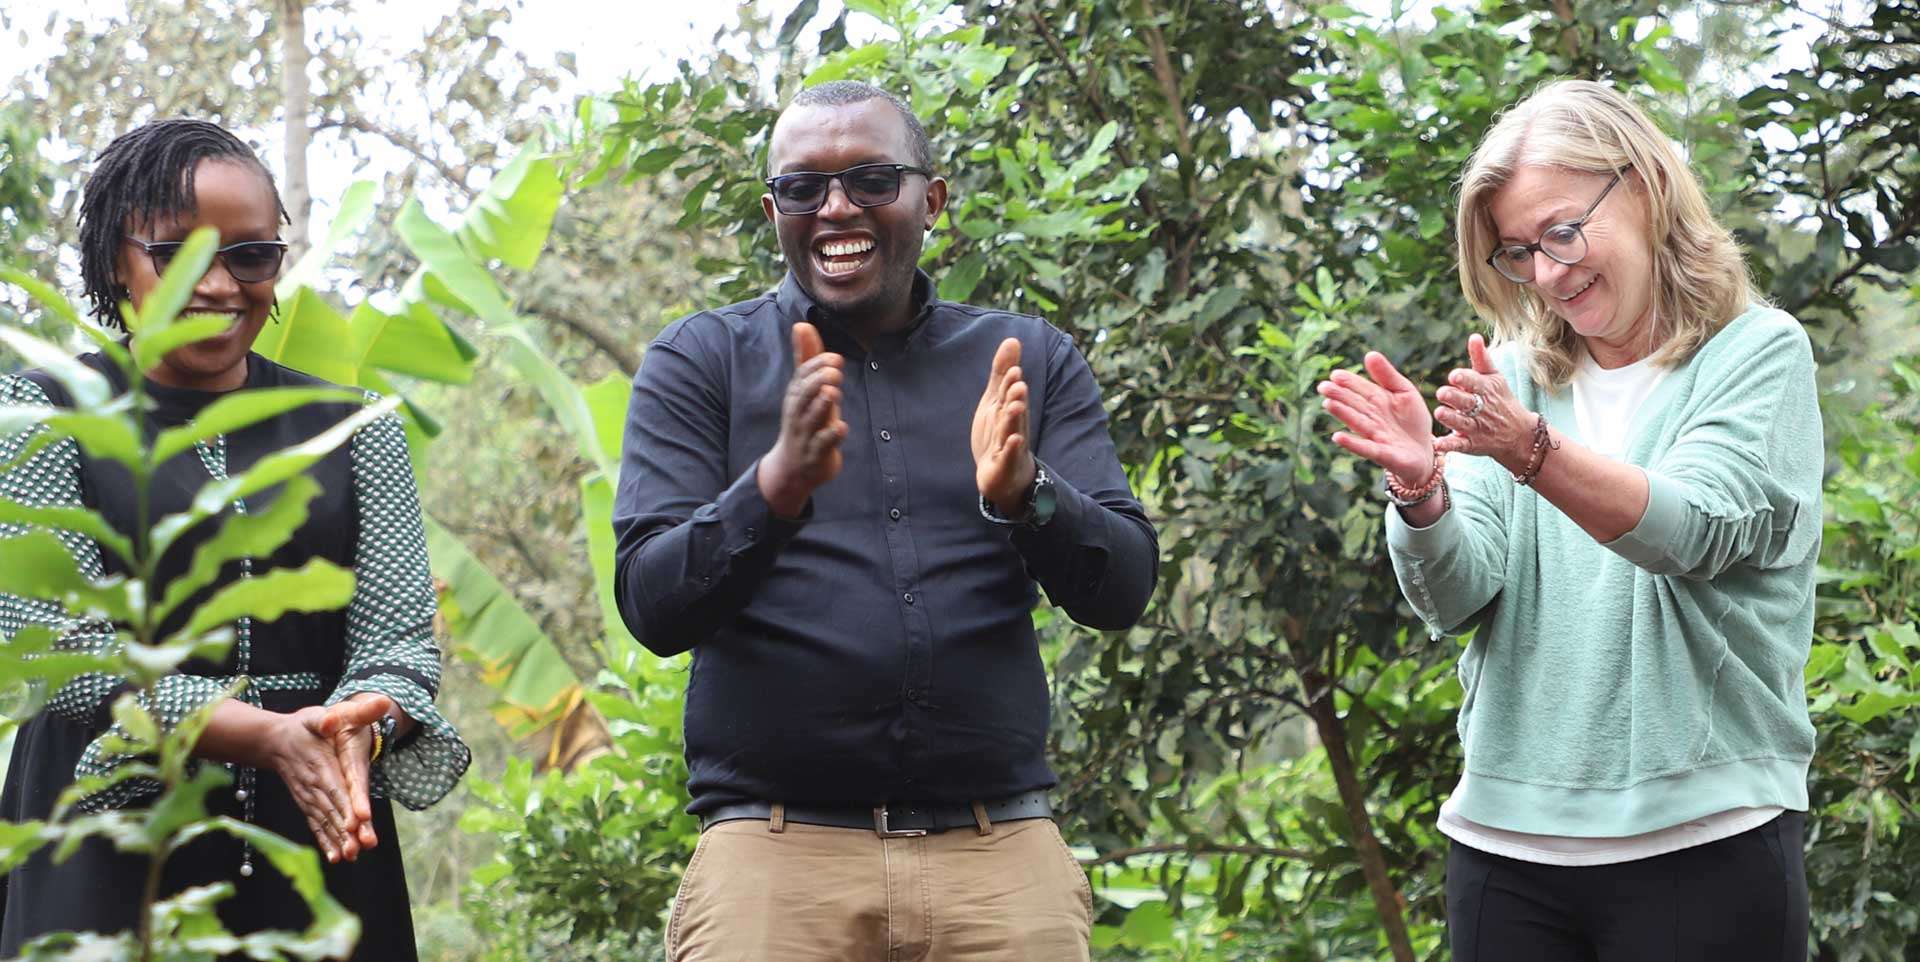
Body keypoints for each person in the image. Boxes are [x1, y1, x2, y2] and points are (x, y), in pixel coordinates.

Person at [612, 80, 1158, 962]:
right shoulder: (702, 361)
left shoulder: (1025, 362)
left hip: (999, 859)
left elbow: (1124, 586)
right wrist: (775, 487)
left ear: (930, 199)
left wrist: (1030, 497)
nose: (836, 208)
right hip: (774, 863)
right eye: (803, 187)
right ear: (773, 208)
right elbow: (650, 604)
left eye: (871, 178)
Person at [1316, 79, 1819, 961]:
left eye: (1560, 231)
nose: (1549, 272)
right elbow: (1455, 598)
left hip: (1706, 836)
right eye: (1519, 251)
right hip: (1507, 848)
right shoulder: (1514, 377)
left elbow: (1693, 530)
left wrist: (1532, 453)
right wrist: (1423, 489)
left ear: (1644, 187)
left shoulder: (1756, 353)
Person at [0, 118, 469, 961]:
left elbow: (399, 636)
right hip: (103, 843)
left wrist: (371, 716)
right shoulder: (42, 416)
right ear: (118, 260)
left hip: (322, 842)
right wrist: (257, 733)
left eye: (250, 256)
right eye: (179, 253)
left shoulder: (355, 428)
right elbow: (51, 644)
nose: (219, 284)